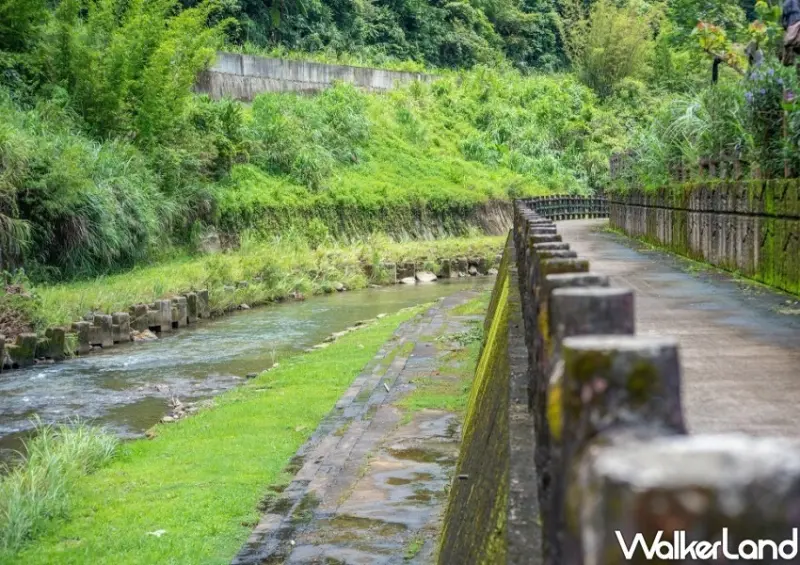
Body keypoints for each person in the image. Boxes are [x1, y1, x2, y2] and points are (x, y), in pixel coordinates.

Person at [782, 0, 800, 65]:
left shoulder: (786, 3)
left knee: (788, 43)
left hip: (791, 23)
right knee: (789, 43)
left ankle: (788, 62)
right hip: (794, 22)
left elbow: (783, 19)